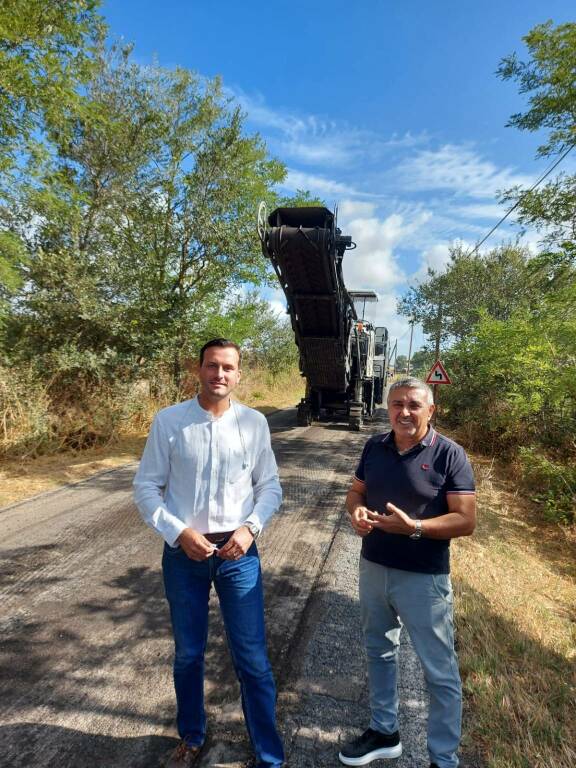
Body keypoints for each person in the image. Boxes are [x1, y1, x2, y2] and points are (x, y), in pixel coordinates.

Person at [133, 338, 285, 768]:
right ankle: (192, 736)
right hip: (185, 555)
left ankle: (269, 755)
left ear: (239, 375)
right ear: (197, 369)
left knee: (252, 657)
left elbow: (269, 487)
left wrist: (251, 528)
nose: (220, 375)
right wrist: (179, 532)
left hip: (239, 554)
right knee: (188, 653)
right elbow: (146, 487)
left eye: (228, 368)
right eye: (212, 366)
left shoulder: (255, 423)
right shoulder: (169, 422)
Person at [339, 377, 476, 768]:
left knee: (439, 671)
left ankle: (443, 759)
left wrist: (415, 527)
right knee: (379, 651)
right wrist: (356, 513)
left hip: (423, 578)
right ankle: (385, 732)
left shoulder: (450, 455)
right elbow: (355, 493)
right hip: (374, 567)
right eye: (397, 404)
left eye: (414, 405)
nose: (404, 412)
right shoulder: (374, 446)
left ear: (430, 410)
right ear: (388, 408)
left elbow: (466, 521)